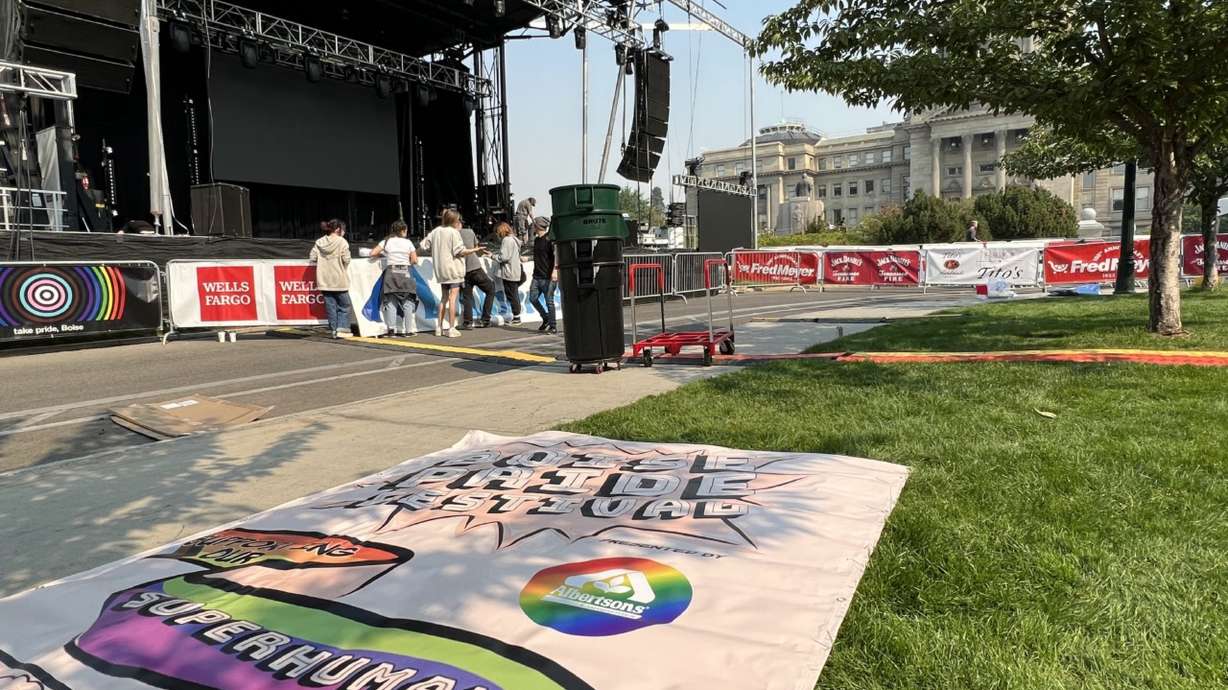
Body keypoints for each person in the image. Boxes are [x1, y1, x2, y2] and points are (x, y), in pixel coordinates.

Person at [420, 209, 486, 338]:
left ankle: (438, 328)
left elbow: (423, 246)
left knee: (443, 298)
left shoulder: (435, 231)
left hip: (441, 270)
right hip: (454, 270)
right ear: (454, 220)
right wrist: (475, 249)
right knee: (452, 298)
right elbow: (460, 252)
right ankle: (451, 328)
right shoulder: (453, 233)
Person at [369, 219, 419, 337]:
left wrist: (383, 254)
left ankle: (391, 330)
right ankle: (409, 330)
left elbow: (372, 253)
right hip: (406, 272)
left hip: (391, 272)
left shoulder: (386, 242)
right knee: (407, 301)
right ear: (402, 230)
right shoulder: (408, 243)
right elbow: (414, 260)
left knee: (391, 301)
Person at [310, 219, 352, 338]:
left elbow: (312, 257)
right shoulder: (342, 242)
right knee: (344, 305)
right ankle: (342, 329)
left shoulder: (319, 242)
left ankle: (334, 330)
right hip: (339, 279)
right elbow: (347, 259)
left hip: (324, 280)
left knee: (331, 306)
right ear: (338, 229)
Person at [459, 223, 496, 329]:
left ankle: (467, 322)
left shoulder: (450, 235)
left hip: (463, 270)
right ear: (460, 223)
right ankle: (485, 320)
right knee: (491, 290)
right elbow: (476, 247)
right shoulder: (469, 232)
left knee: (467, 296)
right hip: (475, 267)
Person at [528, 216, 558, 334]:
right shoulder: (536, 240)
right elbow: (538, 256)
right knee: (533, 299)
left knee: (549, 301)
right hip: (537, 276)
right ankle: (546, 318)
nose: (533, 227)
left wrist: (555, 270)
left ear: (537, 226)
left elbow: (556, 255)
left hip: (548, 276)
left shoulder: (549, 240)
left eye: (534, 225)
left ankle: (553, 325)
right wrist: (527, 258)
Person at [492, 221, 523, 325]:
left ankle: (517, 318)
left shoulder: (506, 240)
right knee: (514, 294)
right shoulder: (513, 239)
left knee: (512, 294)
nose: (497, 234)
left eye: (497, 232)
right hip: (515, 270)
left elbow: (504, 257)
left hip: (509, 272)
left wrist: (492, 256)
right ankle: (517, 316)